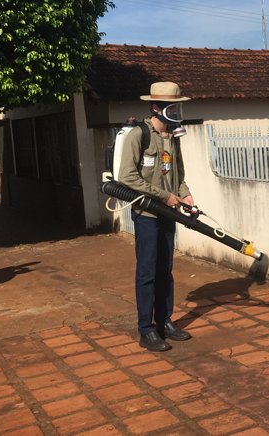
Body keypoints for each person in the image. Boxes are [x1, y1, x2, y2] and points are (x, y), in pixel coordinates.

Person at [118, 81, 193, 352]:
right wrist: (163, 196)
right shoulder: (139, 135)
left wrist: (184, 194)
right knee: (147, 271)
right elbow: (126, 176)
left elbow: (178, 173)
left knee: (166, 270)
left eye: (177, 106)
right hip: (147, 213)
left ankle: (165, 320)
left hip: (169, 213)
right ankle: (146, 329)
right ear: (155, 107)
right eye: (171, 107)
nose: (175, 111)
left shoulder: (172, 136)